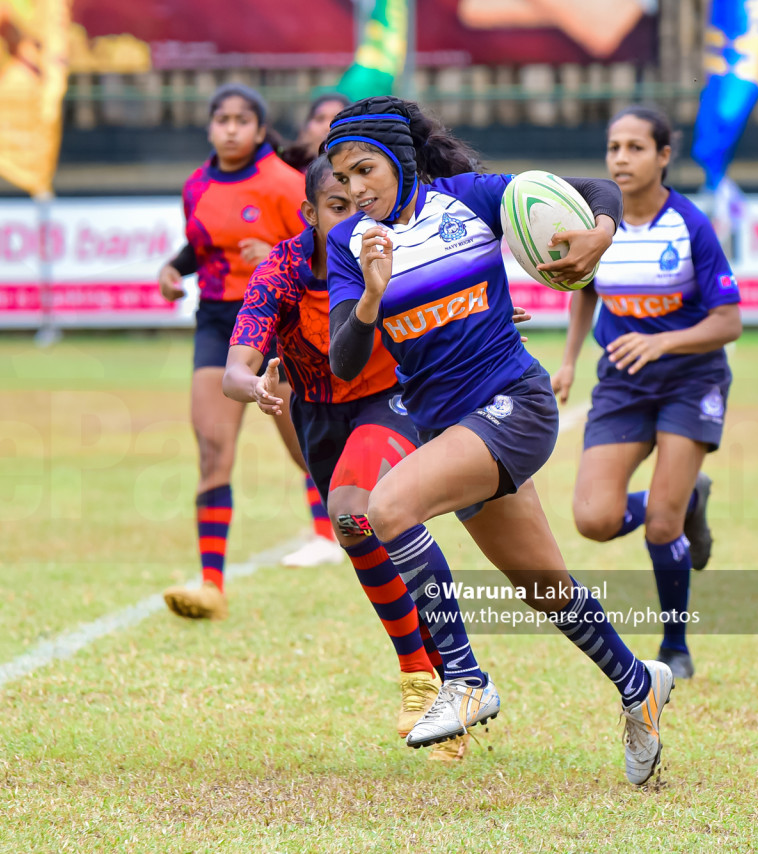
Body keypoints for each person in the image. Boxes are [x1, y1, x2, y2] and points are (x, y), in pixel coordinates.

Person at [326, 95, 674, 786]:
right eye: (343, 179)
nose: (356, 188)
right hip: (448, 427)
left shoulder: (469, 199)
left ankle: (465, 678)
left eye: (366, 169)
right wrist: (370, 295)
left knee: (385, 509)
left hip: (515, 402)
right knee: (546, 590)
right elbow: (343, 358)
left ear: (399, 159)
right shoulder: (348, 244)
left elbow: (593, 190)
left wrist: (601, 231)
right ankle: (640, 685)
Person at [223, 156, 531, 762]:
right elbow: (237, 363)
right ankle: (441, 677)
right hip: (317, 414)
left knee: (353, 509)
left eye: (361, 204)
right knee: (354, 529)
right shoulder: (283, 268)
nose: (356, 221)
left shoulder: (390, 249)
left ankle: (431, 677)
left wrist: (486, 320)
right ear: (309, 214)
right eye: (338, 209)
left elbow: (451, 302)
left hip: (391, 400)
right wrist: (250, 382)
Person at [551, 105, 743, 680]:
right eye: (614, 147)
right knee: (594, 518)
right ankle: (690, 498)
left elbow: (728, 321)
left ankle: (675, 646)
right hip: (623, 385)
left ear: (664, 156)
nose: (621, 159)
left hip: (692, 380)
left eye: (636, 147)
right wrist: (567, 360)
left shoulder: (689, 224)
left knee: (661, 523)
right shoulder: (597, 223)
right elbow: (583, 287)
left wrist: (663, 344)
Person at [159, 83, 340, 623]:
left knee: (301, 443)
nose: (231, 128)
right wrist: (174, 270)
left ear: (261, 131)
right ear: (210, 127)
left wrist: (274, 258)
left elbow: (322, 245)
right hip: (218, 321)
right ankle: (211, 583)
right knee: (213, 451)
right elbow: (200, 246)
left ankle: (338, 532)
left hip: (281, 317)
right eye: (222, 119)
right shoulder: (195, 185)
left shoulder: (286, 183)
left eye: (242, 120)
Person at [282, 92, 351, 171]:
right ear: (306, 129)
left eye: (337, 120)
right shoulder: (289, 171)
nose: (327, 127)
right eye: (320, 119)